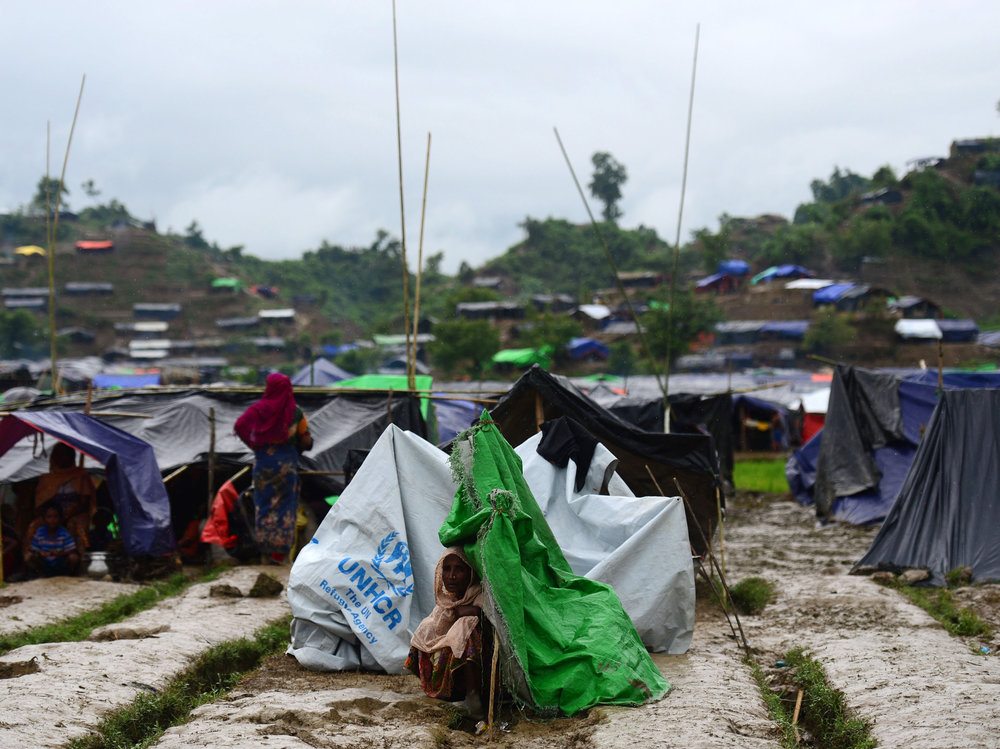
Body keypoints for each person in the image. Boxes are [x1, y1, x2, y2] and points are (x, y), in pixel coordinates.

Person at [234, 373, 313, 564]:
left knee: (264, 506)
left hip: (263, 463)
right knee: (286, 507)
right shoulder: (295, 412)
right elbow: (306, 439)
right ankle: (283, 555)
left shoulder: (257, 410)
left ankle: (265, 554)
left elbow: (239, 426)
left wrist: (253, 444)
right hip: (286, 464)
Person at [405, 548, 488, 717]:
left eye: (459, 569)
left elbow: (485, 614)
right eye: (447, 568)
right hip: (453, 683)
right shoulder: (447, 601)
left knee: (466, 627)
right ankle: (440, 688)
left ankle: (473, 697)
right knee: (427, 627)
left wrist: (469, 613)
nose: (452, 576)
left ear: (471, 573)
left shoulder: (481, 596)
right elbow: (439, 627)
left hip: (483, 675)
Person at [25, 442, 97, 561]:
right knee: (34, 526)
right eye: (59, 455)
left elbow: (85, 502)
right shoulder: (46, 478)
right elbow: (40, 502)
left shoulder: (81, 475)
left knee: (78, 526)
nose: (63, 458)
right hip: (51, 513)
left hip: (75, 513)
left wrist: (67, 515)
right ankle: (31, 561)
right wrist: (51, 515)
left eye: (66, 455)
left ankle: (79, 561)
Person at [26, 505, 80, 577]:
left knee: (74, 557)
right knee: (28, 556)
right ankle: (38, 574)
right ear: (44, 519)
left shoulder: (64, 532)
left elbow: (72, 550)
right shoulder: (40, 531)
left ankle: (67, 575)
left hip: (60, 563)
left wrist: (60, 553)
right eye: (49, 517)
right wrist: (40, 552)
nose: (52, 520)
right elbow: (33, 549)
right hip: (44, 563)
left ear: (60, 518)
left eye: (55, 516)